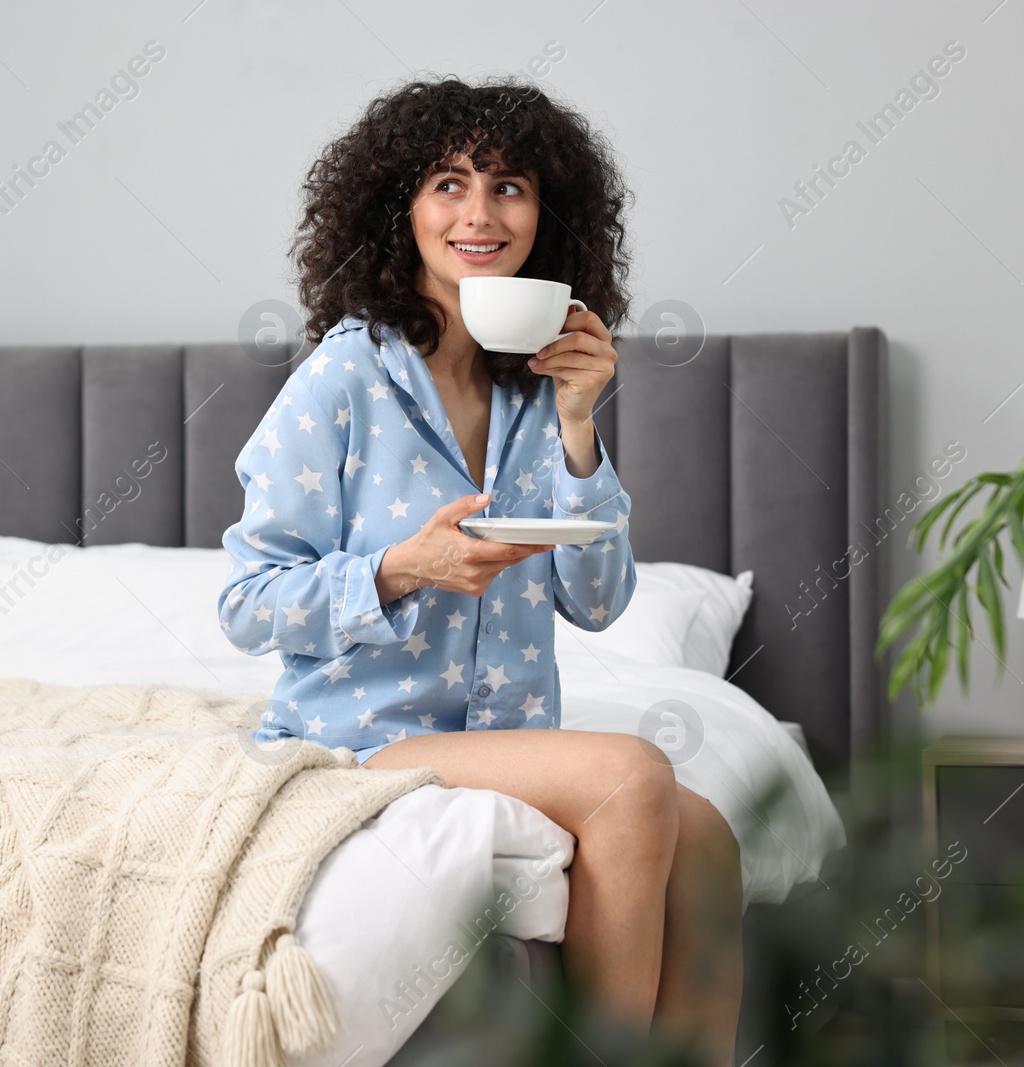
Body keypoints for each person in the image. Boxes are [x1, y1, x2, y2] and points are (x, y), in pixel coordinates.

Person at [217, 76, 743, 1065]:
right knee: (630, 772)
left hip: (502, 738)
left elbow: (597, 599)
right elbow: (246, 602)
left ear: (547, 218)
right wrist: (398, 568)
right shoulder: (343, 377)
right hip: (356, 742)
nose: (477, 213)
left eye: (508, 187)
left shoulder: (538, 390)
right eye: (447, 184)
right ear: (399, 210)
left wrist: (583, 424)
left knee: (707, 837)